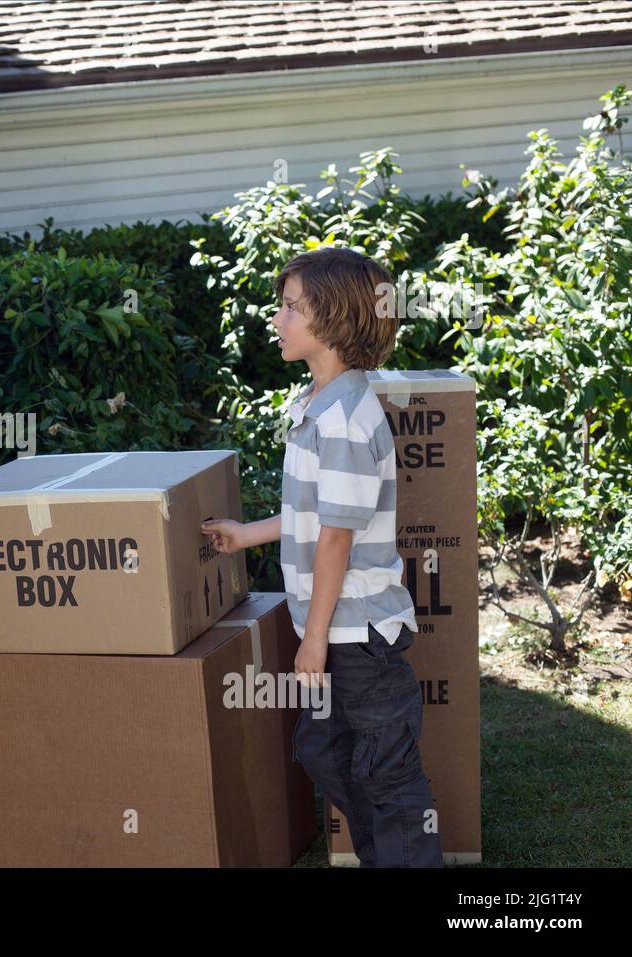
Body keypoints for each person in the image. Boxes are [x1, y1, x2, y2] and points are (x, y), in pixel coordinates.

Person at [201, 247, 442, 867]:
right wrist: (246, 534)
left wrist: (313, 642)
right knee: (324, 751)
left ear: (333, 319)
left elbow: (336, 540)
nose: (276, 318)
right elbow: (321, 513)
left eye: (289, 307)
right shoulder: (319, 405)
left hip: (355, 633)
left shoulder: (344, 419)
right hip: (332, 627)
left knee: (386, 773)